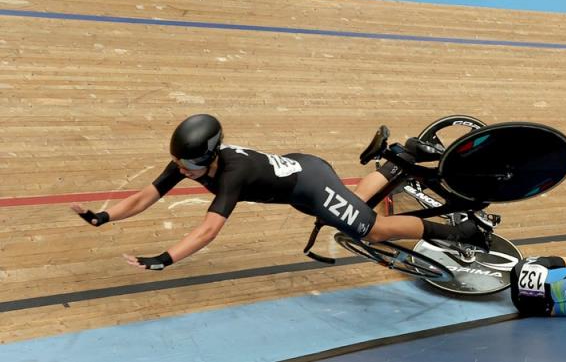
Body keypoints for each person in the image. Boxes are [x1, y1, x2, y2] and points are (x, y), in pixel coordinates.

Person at [70, 114, 490, 270]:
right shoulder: (192, 161)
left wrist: (164, 259)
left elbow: (208, 231)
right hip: (303, 170)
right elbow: (147, 195)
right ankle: (396, 162)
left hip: (308, 184)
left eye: (190, 165)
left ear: (211, 156)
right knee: (352, 211)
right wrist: (104, 217)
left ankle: (463, 234)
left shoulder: (230, 173)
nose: (182, 171)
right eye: (179, 163)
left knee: (371, 229)